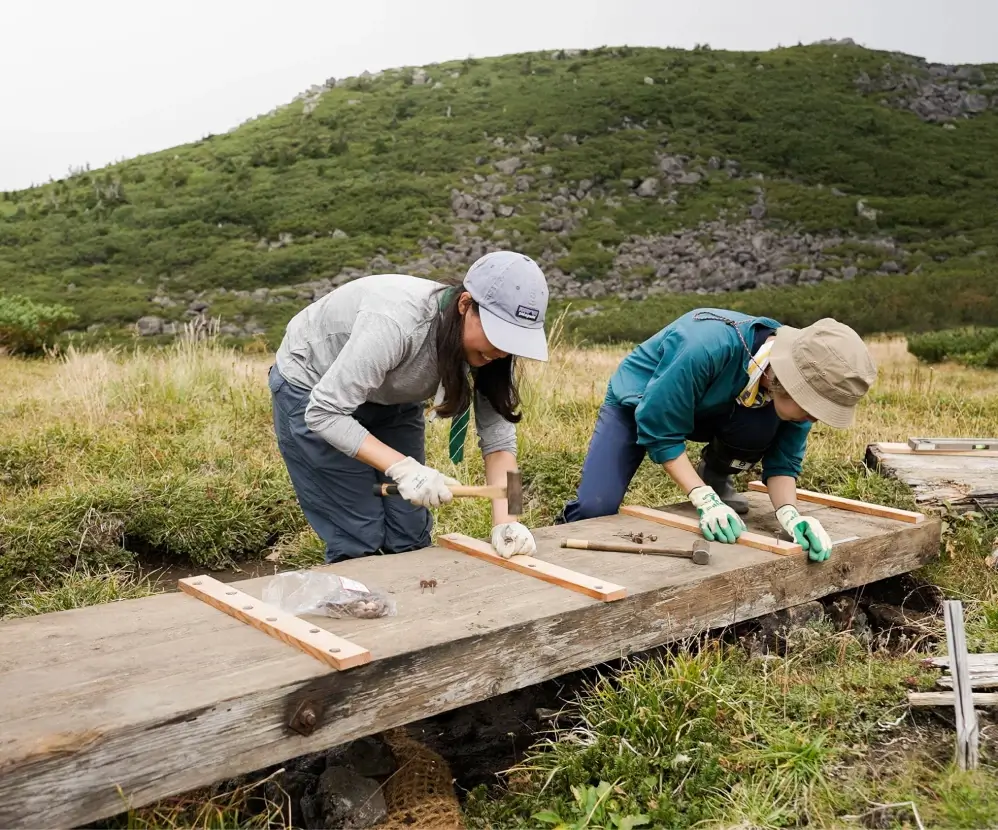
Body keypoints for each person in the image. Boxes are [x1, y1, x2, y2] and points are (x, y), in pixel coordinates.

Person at [268, 251, 550, 564]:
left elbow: (500, 441)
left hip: (391, 398)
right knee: (358, 535)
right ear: (465, 305)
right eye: (498, 335)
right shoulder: (397, 323)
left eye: (513, 341)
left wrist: (509, 519)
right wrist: (403, 468)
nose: (501, 350)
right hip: (314, 389)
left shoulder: (495, 352)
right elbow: (324, 413)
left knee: (410, 534)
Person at [556, 309, 878, 561]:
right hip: (642, 401)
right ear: (792, 383)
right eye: (814, 408)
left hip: (718, 410)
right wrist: (703, 498)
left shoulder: (800, 379)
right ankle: (560, 539)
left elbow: (782, 464)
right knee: (595, 506)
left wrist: (791, 516)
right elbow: (661, 431)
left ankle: (715, 472)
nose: (815, 418)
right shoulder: (706, 348)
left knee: (759, 427)